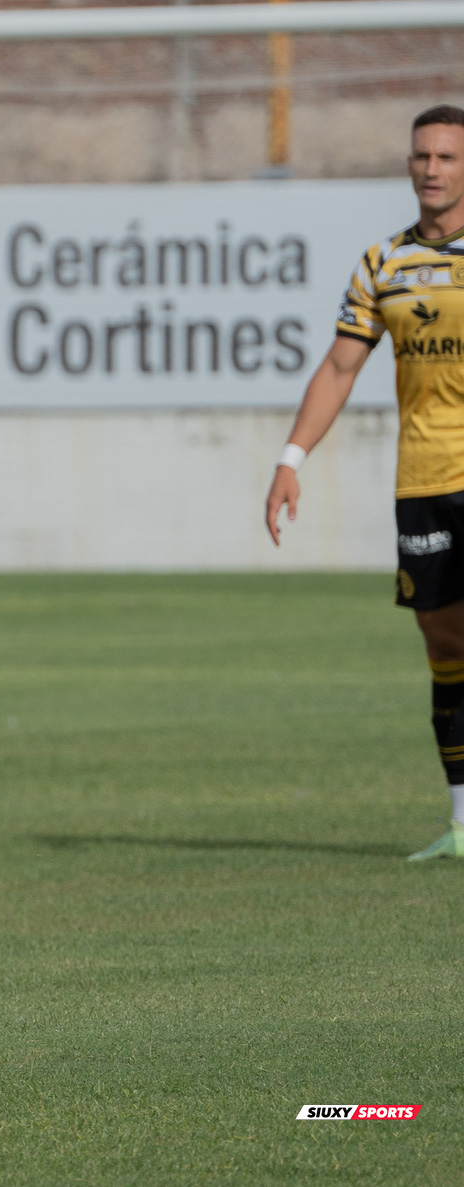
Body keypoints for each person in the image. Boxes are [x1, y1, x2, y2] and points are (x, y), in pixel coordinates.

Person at [266, 104, 464, 861]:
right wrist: (291, 460)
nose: (432, 169)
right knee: (443, 642)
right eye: (422, 156)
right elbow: (341, 366)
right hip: (422, 479)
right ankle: (460, 822)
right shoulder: (383, 263)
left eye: (446, 156)